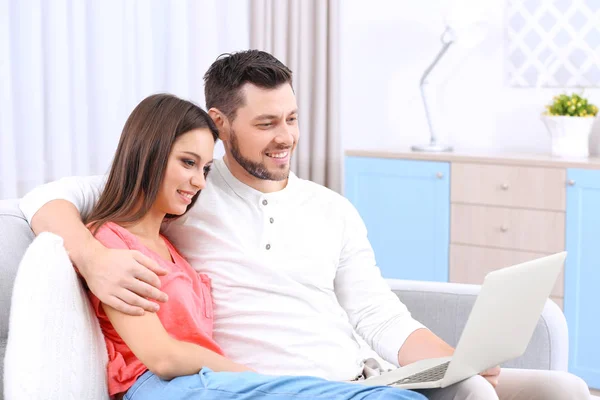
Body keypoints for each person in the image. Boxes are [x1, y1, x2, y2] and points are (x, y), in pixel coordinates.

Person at [20, 51, 590, 400]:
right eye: (266, 123)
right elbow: (46, 199)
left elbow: (376, 312)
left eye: (291, 118)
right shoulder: (184, 192)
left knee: (560, 389)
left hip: (369, 375)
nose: (286, 137)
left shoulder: (331, 208)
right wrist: (93, 260)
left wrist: (454, 356)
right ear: (220, 123)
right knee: (473, 396)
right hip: (272, 385)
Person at [80, 92, 424, 400]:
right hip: (163, 385)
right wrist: (247, 375)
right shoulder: (111, 244)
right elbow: (162, 357)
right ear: (147, 155)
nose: (199, 182)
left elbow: (378, 314)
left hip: (209, 382)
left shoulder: (173, 243)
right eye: (187, 163)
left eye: (205, 168)